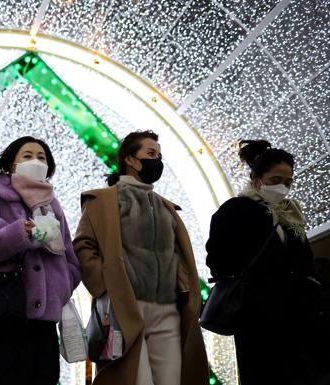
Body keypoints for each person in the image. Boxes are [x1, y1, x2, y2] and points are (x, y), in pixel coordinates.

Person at [74, 130, 209, 385]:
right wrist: (105, 287)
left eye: (159, 155)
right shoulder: (102, 201)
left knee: (171, 379)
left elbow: (177, 254)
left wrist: (187, 295)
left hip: (168, 308)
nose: (157, 160)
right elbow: (83, 245)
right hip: (125, 306)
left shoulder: (166, 207)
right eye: (150, 154)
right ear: (130, 160)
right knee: (135, 379)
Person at [0, 136, 81, 385]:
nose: (35, 160)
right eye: (27, 155)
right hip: (0, 315)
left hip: (42, 324)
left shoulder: (53, 206)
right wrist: (20, 232)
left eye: (41, 157)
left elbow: (69, 258)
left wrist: (60, 288)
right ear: (12, 164)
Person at [205, 140, 321, 385]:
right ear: (257, 178)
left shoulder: (291, 216)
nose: (282, 187)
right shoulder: (235, 210)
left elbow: (305, 261)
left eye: (288, 182)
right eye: (275, 180)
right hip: (255, 315)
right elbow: (217, 258)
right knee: (261, 373)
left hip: (296, 314)